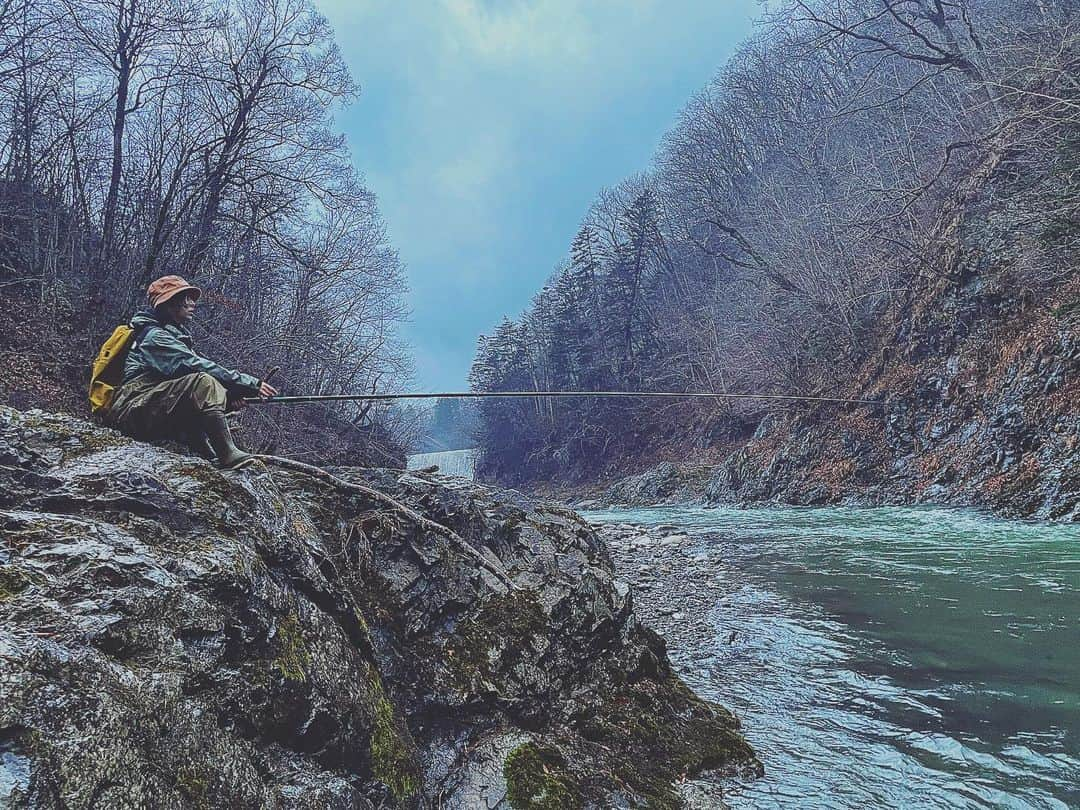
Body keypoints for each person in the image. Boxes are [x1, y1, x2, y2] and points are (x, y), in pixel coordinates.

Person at [110, 275, 278, 470]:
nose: (192, 304)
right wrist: (250, 384)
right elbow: (196, 367)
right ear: (169, 303)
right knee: (203, 382)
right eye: (186, 298)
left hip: (146, 406)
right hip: (133, 408)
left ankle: (204, 450)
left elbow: (181, 390)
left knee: (206, 387)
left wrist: (229, 398)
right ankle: (227, 453)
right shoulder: (155, 337)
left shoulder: (170, 336)